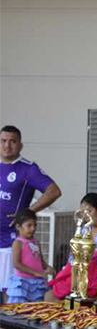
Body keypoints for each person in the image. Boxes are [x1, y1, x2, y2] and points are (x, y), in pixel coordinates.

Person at [0, 126, 61, 300]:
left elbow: (53, 191)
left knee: (10, 294)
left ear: (20, 145)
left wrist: (27, 212)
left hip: (9, 242)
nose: (7, 145)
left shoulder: (28, 168)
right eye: (3, 140)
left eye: (12, 141)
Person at [7, 209, 54, 303]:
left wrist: (49, 268)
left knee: (36, 308)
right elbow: (16, 263)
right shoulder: (18, 243)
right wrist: (35, 273)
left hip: (37, 282)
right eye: (29, 225)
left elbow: (40, 261)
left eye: (34, 225)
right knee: (20, 308)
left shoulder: (36, 243)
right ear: (18, 227)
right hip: (23, 282)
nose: (33, 228)